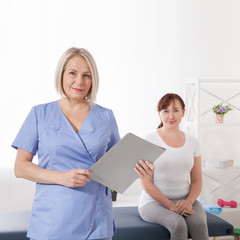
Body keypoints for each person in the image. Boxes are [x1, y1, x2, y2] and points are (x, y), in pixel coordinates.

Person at [12, 47, 120, 240]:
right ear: (61, 75)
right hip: (53, 220)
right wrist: (60, 177)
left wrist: (142, 171)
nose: (79, 81)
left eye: (86, 75)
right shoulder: (40, 114)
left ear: (93, 79)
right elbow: (20, 167)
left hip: (95, 219)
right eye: (72, 73)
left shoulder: (106, 116)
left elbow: (117, 169)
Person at [134, 93, 209, 240]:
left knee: (199, 224)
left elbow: (197, 180)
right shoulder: (150, 139)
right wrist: (170, 206)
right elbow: (145, 182)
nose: (171, 116)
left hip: (186, 200)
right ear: (159, 114)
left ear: (183, 112)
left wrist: (188, 202)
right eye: (165, 111)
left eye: (175, 110)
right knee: (178, 224)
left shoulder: (193, 142)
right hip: (153, 203)